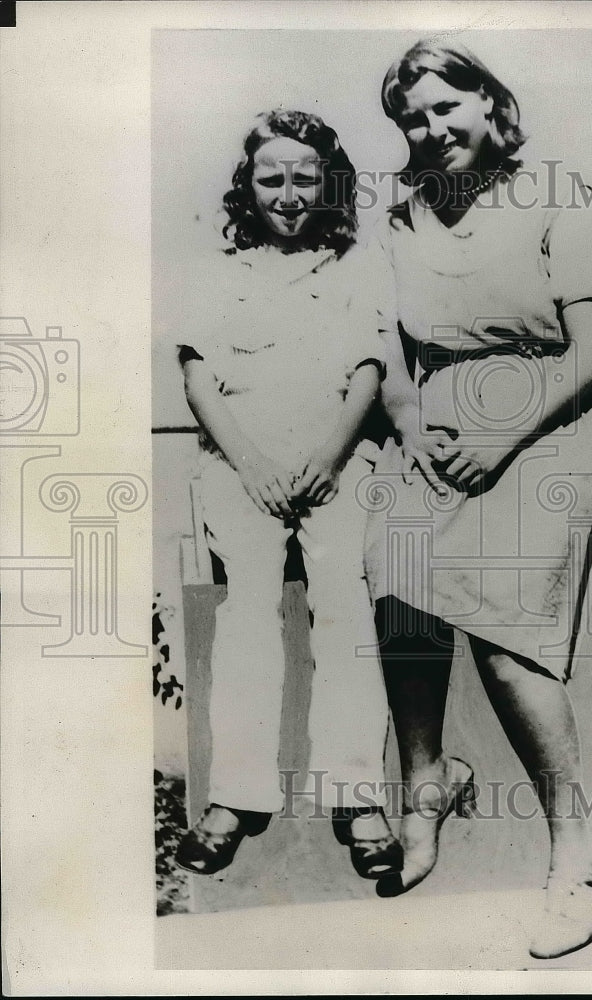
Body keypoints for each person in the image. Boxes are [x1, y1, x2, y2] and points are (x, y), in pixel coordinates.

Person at [364, 40, 592, 958]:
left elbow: (590, 355)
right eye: (413, 120)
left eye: (444, 109)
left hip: (545, 421)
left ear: (489, 102)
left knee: (511, 649)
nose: (431, 132)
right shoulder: (397, 214)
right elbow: (390, 344)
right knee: (399, 593)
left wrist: (500, 437)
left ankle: (576, 858)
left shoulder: (556, 192)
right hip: (435, 421)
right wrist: (412, 426)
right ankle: (426, 782)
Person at [174, 109, 401, 882]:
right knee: (248, 615)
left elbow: (370, 371)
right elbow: (200, 378)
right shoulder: (216, 268)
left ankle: (358, 794)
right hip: (245, 468)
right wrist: (251, 464)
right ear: (249, 186)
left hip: (335, 461)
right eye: (272, 178)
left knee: (345, 608)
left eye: (306, 178)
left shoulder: (358, 265)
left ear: (328, 184)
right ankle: (236, 796)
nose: (290, 193)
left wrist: (330, 459)